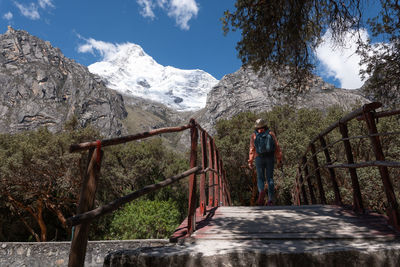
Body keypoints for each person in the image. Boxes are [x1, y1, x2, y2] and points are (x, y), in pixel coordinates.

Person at [248, 118, 282, 206]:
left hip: (259, 158)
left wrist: (250, 161)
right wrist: (279, 158)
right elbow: (277, 146)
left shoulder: (254, 135)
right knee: (270, 178)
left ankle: (261, 192)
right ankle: (270, 199)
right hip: (270, 157)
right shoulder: (270, 133)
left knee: (260, 178)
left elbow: (252, 149)